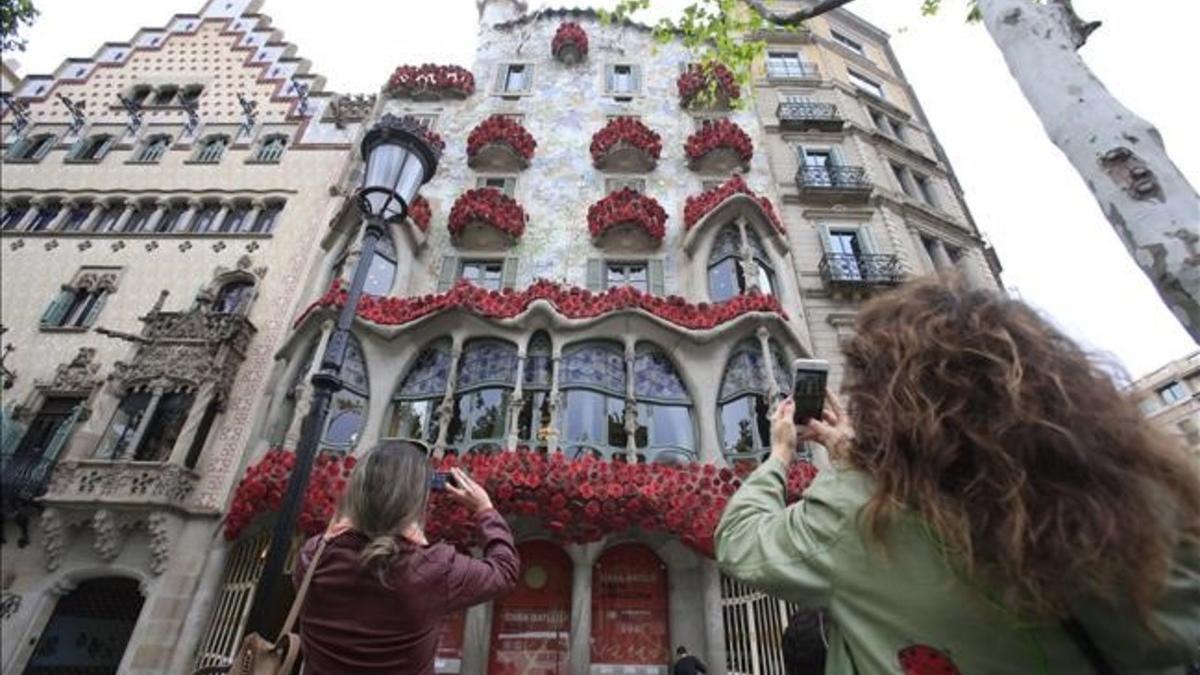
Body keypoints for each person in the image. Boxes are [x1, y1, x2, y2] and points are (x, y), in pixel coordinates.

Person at [715, 279, 1200, 674]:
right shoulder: (1150, 504)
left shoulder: (864, 517)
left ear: (890, 402)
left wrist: (781, 454)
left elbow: (741, 541)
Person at [293, 440, 519, 675]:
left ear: (354, 492)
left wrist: (345, 522)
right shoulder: (433, 568)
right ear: (416, 500)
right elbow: (504, 570)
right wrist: (484, 509)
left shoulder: (312, 558)